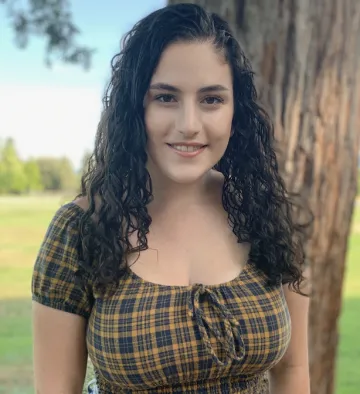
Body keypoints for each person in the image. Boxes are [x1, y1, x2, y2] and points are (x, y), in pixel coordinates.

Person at [31, 3, 310, 393]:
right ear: (134, 106)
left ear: (236, 110)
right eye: (166, 97)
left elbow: (294, 371)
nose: (189, 125)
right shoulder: (79, 230)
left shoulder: (262, 213)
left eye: (211, 99)